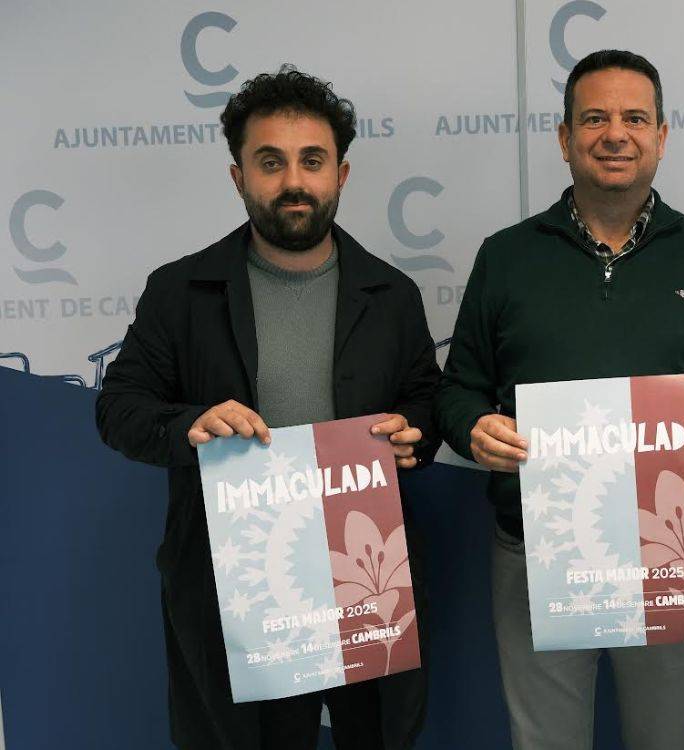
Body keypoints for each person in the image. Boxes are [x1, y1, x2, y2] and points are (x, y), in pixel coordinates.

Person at [95, 66, 439, 750]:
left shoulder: (391, 294)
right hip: (237, 589)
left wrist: (415, 435)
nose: (293, 182)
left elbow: (424, 397)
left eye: (312, 161)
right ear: (238, 177)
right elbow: (119, 408)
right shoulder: (180, 292)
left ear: (340, 174)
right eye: (270, 162)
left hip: (363, 579)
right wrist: (187, 426)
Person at [434, 50, 684, 750]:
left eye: (634, 118)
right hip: (535, 548)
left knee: (667, 739)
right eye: (594, 118)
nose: (615, 134)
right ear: (564, 138)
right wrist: (472, 427)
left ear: (662, 135)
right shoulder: (507, 256)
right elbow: (458, 388)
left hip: (672, 551)